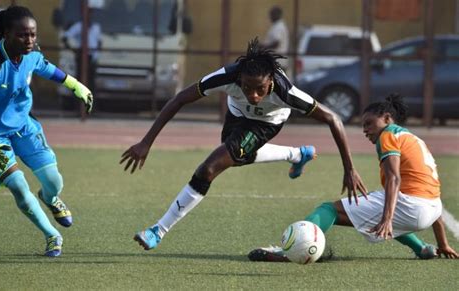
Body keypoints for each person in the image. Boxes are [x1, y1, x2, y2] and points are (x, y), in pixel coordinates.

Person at [120, 37, 367, 251]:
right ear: (239, 78)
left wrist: (349, 168)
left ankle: (158, 230)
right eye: (247, 87)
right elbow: (180, 99)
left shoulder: (286, 92)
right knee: (235, 155)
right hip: (236, 115)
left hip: (267, 123)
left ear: (271, 80)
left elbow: (333, 119)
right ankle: (296, 154)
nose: (254, 95)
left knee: (209, 169)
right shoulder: (228, 76)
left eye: (260, 89)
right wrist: (146, 142)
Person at [248, 94, 458, 261]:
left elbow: (394, 178)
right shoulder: (413, 138)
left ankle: (290, 250)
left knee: (328, 209)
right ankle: (422, 249)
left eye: (368, 123)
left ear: (386, 118)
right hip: (432, 209)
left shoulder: (387, 136)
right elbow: (430, 192)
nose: (365, 130)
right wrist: (442, 243)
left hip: (412, 206)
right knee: (386, 214)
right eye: (363, 126)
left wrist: (386, 218)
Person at [0, 6, 93, 257]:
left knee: (54, 182)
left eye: (33, 35)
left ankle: (50, 197)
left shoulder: (31, 55)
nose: (30, 40)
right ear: (6, 34)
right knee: (19, 188)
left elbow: (47, 68)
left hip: (23, 126)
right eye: (23, 35)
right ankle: (52, 236)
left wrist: (76, 85)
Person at [61, 9, 102, 93]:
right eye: (87, 14)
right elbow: (64, 38)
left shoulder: (96, 27)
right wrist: (74, 51)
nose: (89, 16)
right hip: (82, 57)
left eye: (90, 14)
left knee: (91, 83)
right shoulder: (79, 26)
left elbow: (99, 42)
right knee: (80, 82)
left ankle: (90, 104)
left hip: (92, 58)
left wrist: (96, 55)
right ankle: (78, 104)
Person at [263, 6, 289, 72]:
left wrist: (263, 47)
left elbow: (276, 43)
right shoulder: (278, 25)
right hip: (278, 61)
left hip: (277, 61)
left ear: (277, 15)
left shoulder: (278, 26)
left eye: (272, 14)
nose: (270, 17)